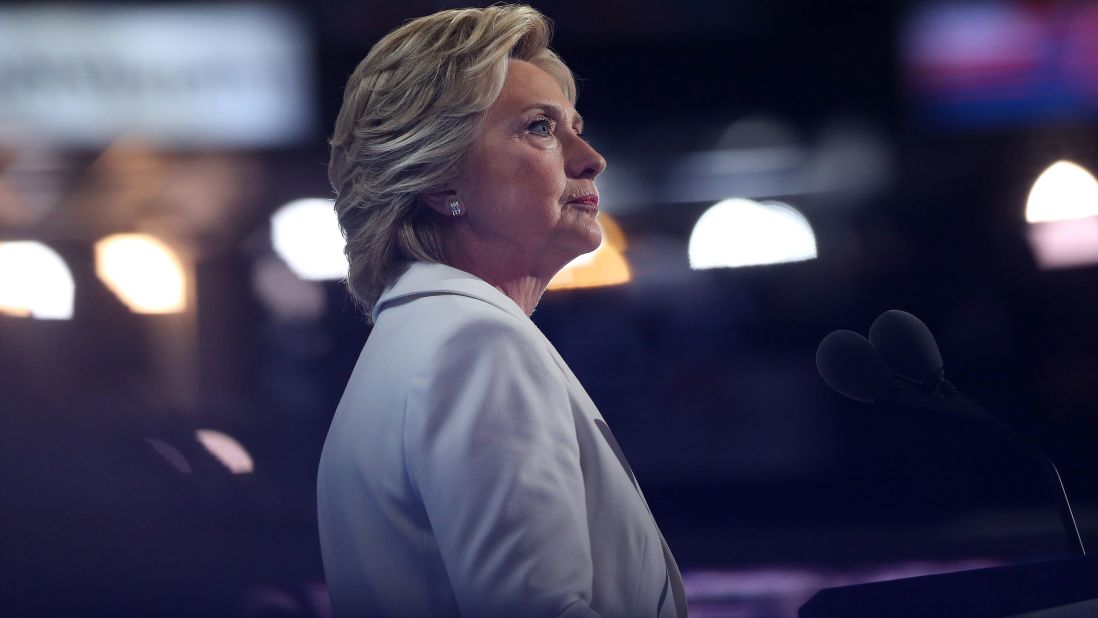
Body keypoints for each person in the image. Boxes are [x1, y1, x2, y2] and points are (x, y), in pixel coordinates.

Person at [316, 5, 687, 617]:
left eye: (574, 125)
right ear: (440, 182)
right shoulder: (477, 344)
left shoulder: (416, 341)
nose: (590, 157)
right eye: (542, 128)